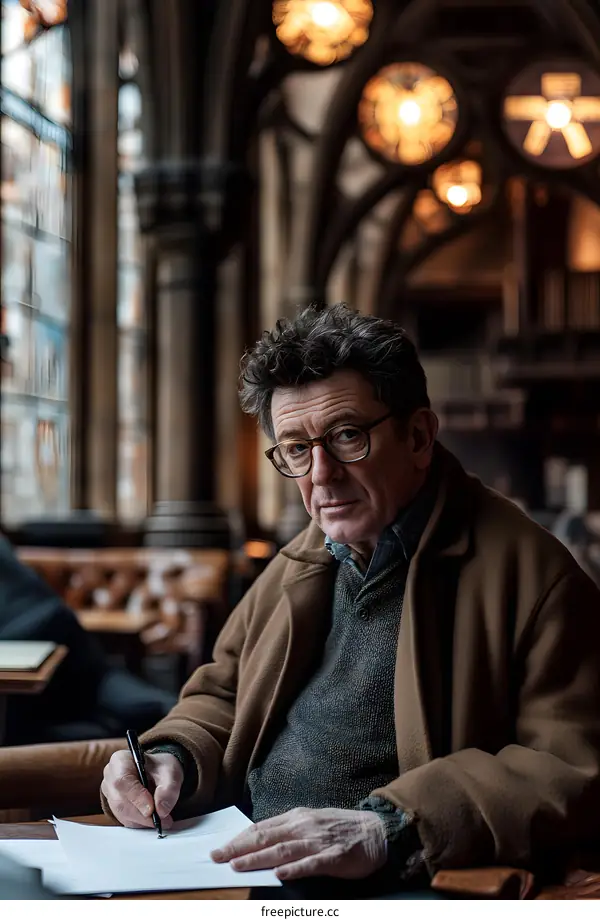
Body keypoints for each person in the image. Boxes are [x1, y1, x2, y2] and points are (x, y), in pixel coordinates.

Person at [102, 302, 600, 890]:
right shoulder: (301, 560)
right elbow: (223, 698)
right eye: (295, 448)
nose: (320, 475)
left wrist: (388, 827)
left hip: (400, 885)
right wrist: (172, 759)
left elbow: (571, 770)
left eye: (346, 436)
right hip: (234, 870)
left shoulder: (534, 575)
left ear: (419, 435)